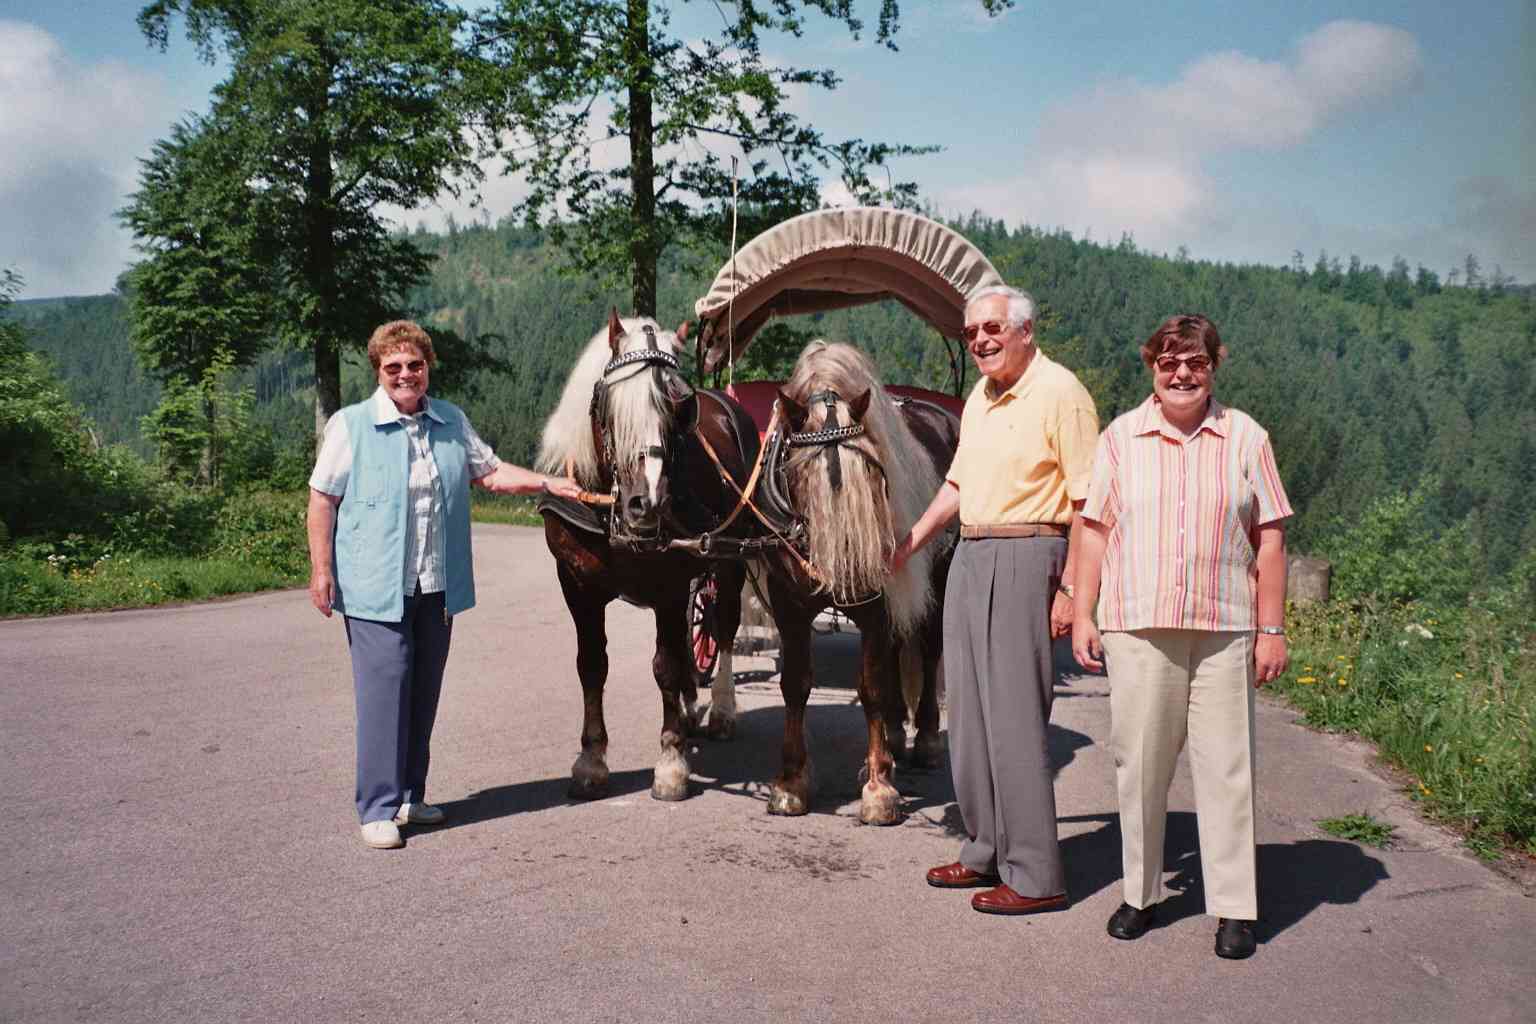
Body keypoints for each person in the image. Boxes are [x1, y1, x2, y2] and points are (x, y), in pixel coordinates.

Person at [307, 320, 582, 850]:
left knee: (423, 691)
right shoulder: (352, 425)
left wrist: (551, 483)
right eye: (394, 367)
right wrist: (322, 570)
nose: (405, 374)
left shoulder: (449, 421)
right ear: (378, 372)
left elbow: (491, 472)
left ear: (427, 367)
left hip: (435, 585)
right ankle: (377, 807)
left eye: (414, 364)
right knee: (385, 690)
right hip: (373, 587)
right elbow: (323, 499)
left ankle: (411, 794)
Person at [1071, 314, 1291, 959]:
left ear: (1214, 365)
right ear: (1152, 369)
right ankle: (1140, 895)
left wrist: (1271, 628)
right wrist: (1083, 613)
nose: (1182, 374)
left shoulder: (1246, 436)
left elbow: (1271, 535)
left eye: (1195, 361)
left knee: (1227, 769)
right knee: (1140, 766)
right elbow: (1094, 529)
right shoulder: (1120, 438)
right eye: (1169, 363)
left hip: (1224, 627)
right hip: (1138, 626)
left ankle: (1234, 908)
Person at [891, 284, 1099, 914]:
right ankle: (983, 850)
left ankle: (1038, 875)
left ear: (1025, 331)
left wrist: (1072, 593)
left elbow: (1090, 503)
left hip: (1031, 550)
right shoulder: (980, 397)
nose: (981, 340)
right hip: (972, 553)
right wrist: (910, 542)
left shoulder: (1061, 393)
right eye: (972, 331)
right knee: (971, 716)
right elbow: (958, 482)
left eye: (992, 329)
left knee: (1013, 719)